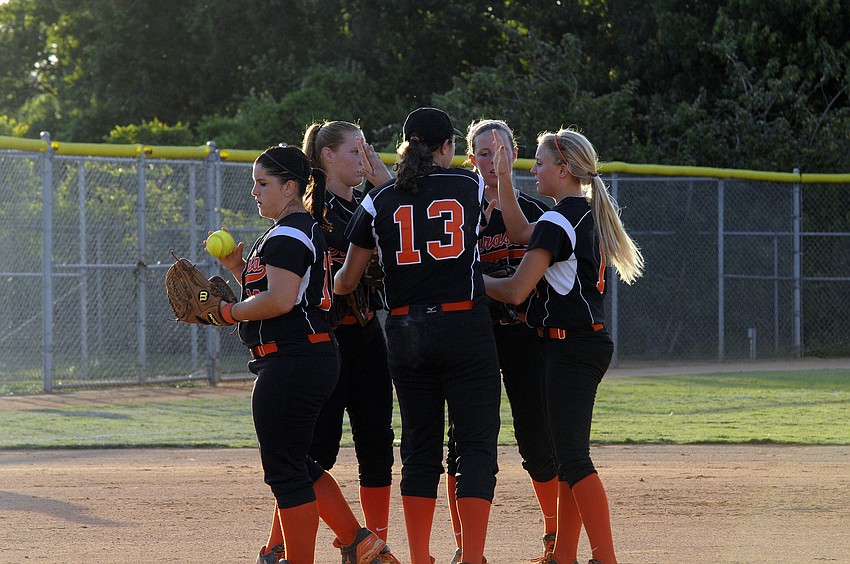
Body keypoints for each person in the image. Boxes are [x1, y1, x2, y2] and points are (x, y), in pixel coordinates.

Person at [334, 107, 501, 564]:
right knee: (474, 446)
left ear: (405, 146)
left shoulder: (378, 199)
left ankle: (421, 557)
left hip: (406, 330)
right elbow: (477, 225)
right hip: (465, 325)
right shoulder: (469, 185)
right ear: (447, 146)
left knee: (420, 449)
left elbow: (347, 281)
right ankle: (472, 558)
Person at [211, 145, 386, 564]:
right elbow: (283, 292)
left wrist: (226, 311)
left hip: (293, 359)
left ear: (290, 187)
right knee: (297, 463)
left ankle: (303, 556)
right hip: (302, 356)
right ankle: (358, 542)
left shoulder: (289, 232)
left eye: (263, 183)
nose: (254, 191)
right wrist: (238, 268)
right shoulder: (293, 229)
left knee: (286, 471)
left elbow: (282, 300)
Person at [483, 127, 644, 564]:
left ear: (565, 168)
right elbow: (520, 231)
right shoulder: (577, 213)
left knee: (573, 460)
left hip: (571, 347)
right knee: (569, 458)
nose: (533, 169)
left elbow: (516, 291)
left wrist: (470, 282)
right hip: (577, 344)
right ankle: (564, 556)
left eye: (539, 163)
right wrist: (506, 179)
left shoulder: (560, 219)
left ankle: (604, 557)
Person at [445, 119, 558, 563]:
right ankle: (464, 546)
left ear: (517, 155)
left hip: (528, 336)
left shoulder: (532, 208)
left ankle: (553, 534)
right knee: (466, 442)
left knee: (537, 438)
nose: (495, 161)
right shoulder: (458, 212)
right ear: (471, 160)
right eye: (485, 153)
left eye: (503, 151)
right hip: (474, 338)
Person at [301, 121, 400, 563]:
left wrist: (387, 189)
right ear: (326, 157)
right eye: (354, 152)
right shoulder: (310, 215)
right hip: (326, 340)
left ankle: (375, 545)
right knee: (312, 453)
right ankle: (281, 544)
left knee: (377, 444)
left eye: (365, 152)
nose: (364, 160)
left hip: (365, 336)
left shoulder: (369, 205)